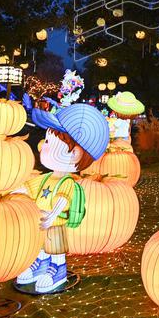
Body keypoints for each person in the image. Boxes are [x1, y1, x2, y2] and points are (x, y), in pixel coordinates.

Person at [14, 104, 109, 293]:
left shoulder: (67, 182)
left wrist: (52, 215)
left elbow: (62, 199)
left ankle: (57, 270)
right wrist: (14, 190)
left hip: (55, 223)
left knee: (55, 249)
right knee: (40, 248)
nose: (42, 146)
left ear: (74, 154)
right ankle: (39, 265)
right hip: (40, 222)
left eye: (49, 143)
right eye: (45, 140)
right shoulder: (46, 178)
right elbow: (28, 187)